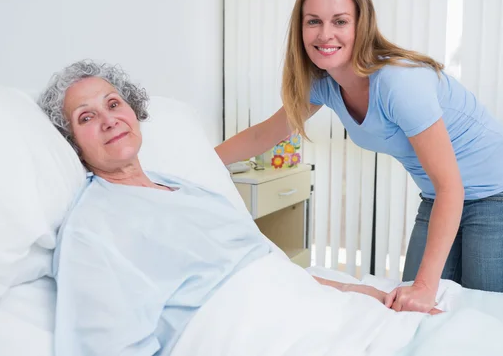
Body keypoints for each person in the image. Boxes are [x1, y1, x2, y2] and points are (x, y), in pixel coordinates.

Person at [38, 60, 441, 356]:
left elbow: (268, 263)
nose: (109, 120)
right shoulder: (92, 227)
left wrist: (355, 290)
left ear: (134, 112)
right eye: (86, 117)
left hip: (313, 312)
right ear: (71, 142)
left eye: (113, 104)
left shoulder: (187, 189)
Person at [215, 0, 503, 313]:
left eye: (339, 21)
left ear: (362, 25)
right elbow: (264, 134)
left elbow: (452, 187)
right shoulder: (324, 84)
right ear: (300, 29)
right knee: (410, 312)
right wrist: (199, 161)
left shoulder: (399, 83)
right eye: (313, 21)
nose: (325, 33)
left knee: (477, 316)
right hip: (441, 195)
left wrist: (424, 286)